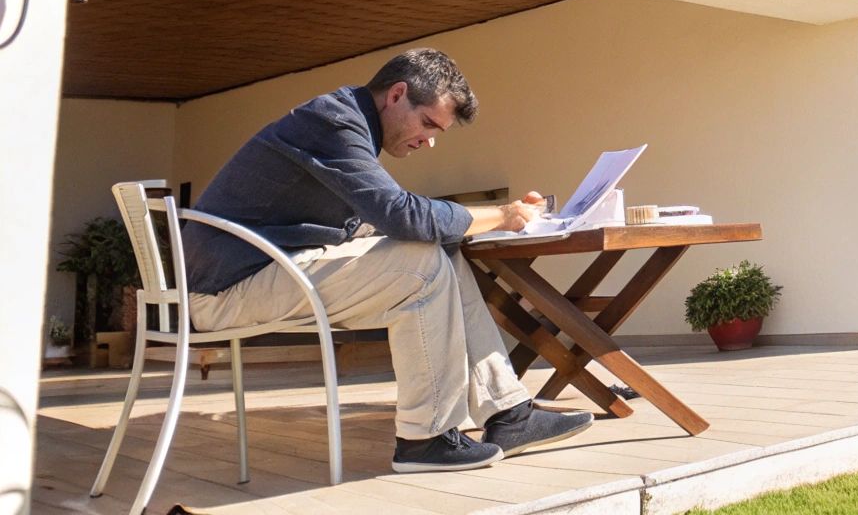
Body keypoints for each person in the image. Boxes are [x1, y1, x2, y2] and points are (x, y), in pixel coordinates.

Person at [180, 48, 593, 473]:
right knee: (423, 266)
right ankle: (425, 439)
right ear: (397, 95)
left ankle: (509, 415)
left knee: (443, 253)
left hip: (270, 269)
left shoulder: (348, 123)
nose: (430, 140)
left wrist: (481, 220)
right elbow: (401, 214)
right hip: (226, 289)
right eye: (429, 123)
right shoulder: (331, 122)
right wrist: (502, 216)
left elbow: (384, 218)